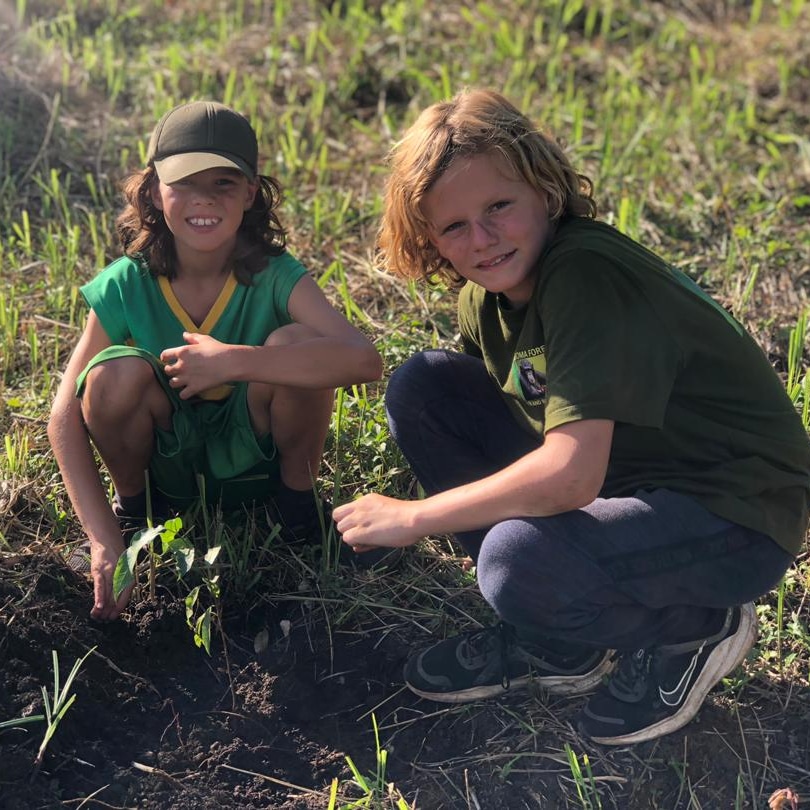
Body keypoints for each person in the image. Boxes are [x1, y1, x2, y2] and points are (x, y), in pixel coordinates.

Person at [333, 88, 810, 745]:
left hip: (734, 512)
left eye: (499, 206)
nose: (483, 238)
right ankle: (561, 640)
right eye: (454, 226)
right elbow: (522, 430)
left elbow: (569, 477)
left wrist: (413, 518)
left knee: (515, 562)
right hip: (636, 480)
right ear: (429, 240)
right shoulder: (488, 298)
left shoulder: (583, 272)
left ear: (547, 191)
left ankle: (696, 624)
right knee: (426, 388)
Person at [48, 100, 386, 623]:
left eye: (223, 183)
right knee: (112, 371)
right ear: (155, 191)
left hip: (259, 466)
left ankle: (297, 510)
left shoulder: (275, 275)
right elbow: (64, 413)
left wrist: (235, 363)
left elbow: (363, 360)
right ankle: (136, 513)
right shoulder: (127, 282)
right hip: (164, 470)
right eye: (184, 182)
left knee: (298, 343)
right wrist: (102, 539)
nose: (203, 200)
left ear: (251, 193)